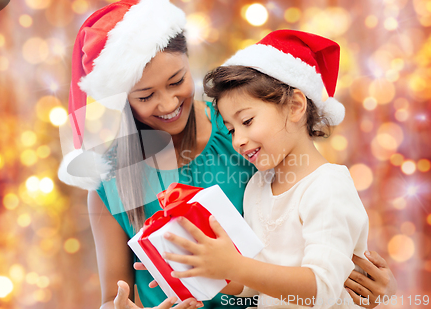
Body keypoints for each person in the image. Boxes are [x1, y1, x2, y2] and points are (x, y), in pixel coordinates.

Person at [57, 1, 396, 308]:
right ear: (122, 99)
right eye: (145, 96)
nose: (168, 103)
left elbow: (318, 229)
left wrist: (375, 290)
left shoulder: (246, 129)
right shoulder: (112, 181)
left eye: (177, 81)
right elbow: (115, 298)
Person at [160, 30, 396, 309]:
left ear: (295, 106)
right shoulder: (257, 187)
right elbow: (256, 280)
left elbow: (322, 289)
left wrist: (236, 267)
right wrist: (206, 267)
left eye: (247, 121)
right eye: (231, 129)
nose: (238, 140)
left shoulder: (328, 187)